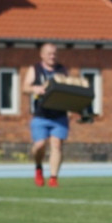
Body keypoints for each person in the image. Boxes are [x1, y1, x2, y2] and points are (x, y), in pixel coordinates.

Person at [24, 42, 69, 188]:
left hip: (59, 116)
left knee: (56, 145)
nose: (52, 56)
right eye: (49, 53)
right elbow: (24, 87)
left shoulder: (62, 70)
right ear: (42, 55)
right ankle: (38, 168)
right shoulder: (35, 69)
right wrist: (35, 88)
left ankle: (53, 178)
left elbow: (69, 88)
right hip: (41, 115)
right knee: (39, 145)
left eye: (55, 53)